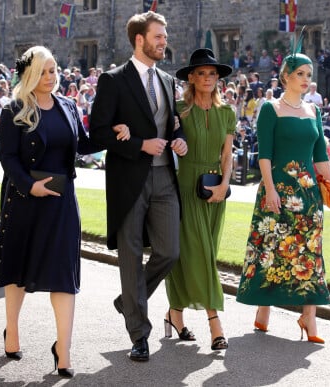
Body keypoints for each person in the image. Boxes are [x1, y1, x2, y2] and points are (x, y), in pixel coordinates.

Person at [0, 46, 127, 377]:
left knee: (64, 275)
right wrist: (28, 186)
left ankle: (63, 349)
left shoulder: (67, 105)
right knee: (17, 269)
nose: (52, 76)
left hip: (62, 205)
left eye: (54, 70)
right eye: (45, 71)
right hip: (25, 201)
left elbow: (83, 144)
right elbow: (8, 156)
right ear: (31, 74)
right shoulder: (14, 110)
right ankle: (12, 331)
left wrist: (114, 133)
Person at [89, 11, 188, 362]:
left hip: (164, 177)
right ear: (140, 39)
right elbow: (97, 133)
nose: (164, 41)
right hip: (128, 179)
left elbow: (172, 125)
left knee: (169, 251)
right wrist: (138, 145)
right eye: (158, 36)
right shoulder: (113, 80)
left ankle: (128, 301)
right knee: (130, 258)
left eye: (165, 35)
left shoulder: (166, 79)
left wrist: (179, 140)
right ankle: (139, 334)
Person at [236, 37, 330, 344]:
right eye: (301, 74)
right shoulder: (270, 108)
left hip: (308, 195)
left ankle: (309, 318)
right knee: (271, 248)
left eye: (309, 74)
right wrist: (271, 190)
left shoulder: (314, 111)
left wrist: (328, 186)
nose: (306, 79)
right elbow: (264, 154)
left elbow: (320, 155)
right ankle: (263, 310)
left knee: (310, 253)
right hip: (276, 189)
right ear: (286, 76)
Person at [162, 48, 234, 351]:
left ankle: (174, 315)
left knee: (199, 254)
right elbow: (166, 144)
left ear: (218, 78)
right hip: (186, 187)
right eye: (201, 73)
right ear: (191, 77)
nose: (207, 78)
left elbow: (228, 155)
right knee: (201, 254)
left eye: (212, 73)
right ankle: (215, 324)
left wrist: (224, 186)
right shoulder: (178, 110)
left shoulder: (227, 112)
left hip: (216, 189)